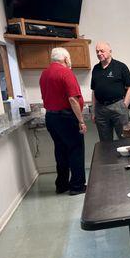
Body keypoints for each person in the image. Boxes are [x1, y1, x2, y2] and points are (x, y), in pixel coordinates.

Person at [40, 47, 87, 195]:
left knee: (60, 151)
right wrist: (81, 121)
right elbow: (72, 99)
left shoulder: (44, 73)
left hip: (51, 118)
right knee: (75, 150)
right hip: (66, 117)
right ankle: (77, 186)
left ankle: (62, 185)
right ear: (66, 59)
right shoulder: (66, 72)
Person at [91, 41, 130, 141]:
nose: (99, 54)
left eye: (102, 51)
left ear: (110, 52)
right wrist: (93, 111)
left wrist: (124, 106)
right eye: (97, 51)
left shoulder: (121, 67)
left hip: (118, 106)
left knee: (124, 139)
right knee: (105, 142)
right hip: (100, 109)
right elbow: (94, 91)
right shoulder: (96, 69)